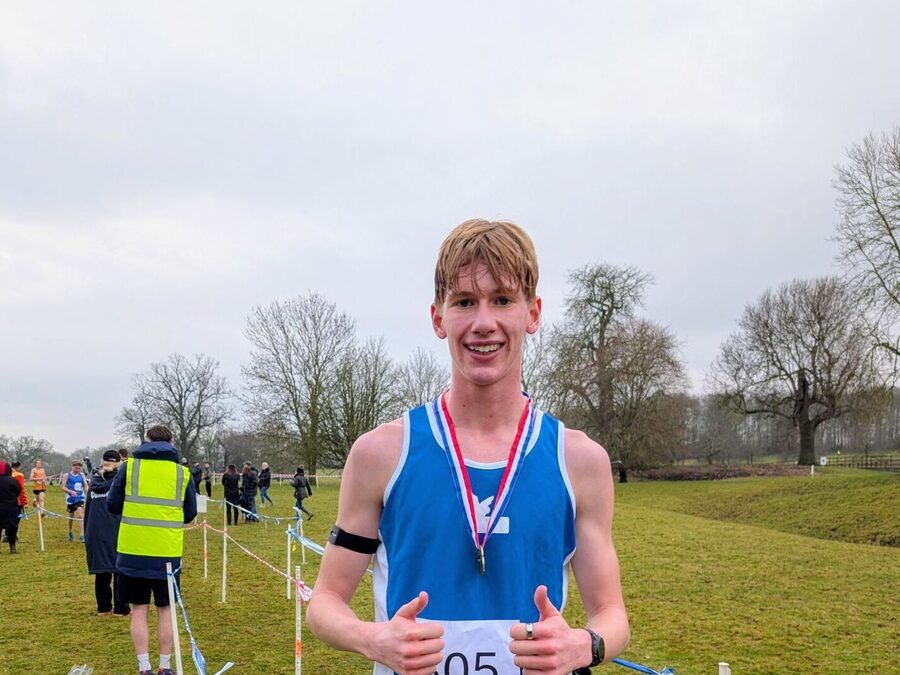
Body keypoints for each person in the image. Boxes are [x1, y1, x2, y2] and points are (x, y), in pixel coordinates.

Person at [306, 219, 630, 675]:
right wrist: (373, 638)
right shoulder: (381, 454)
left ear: (532, 313)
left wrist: (585, 645)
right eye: (464, 302)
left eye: (502, 299)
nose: (483, 323)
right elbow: (325, 602)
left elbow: (611, 613)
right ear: (438, 317)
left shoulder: (579, 461)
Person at [107, 424, 197, 675]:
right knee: (165, 610)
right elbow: (190, 513)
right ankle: (165, 666)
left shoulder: (129, 467)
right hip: (167, 552)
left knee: (139, 609)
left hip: (132, 550)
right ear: (171, 442)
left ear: (146, 441)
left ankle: (144, 665)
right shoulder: (182, 473)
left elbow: (112, 505)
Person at [85, 450, 130, 616]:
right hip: (116, 529)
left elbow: (89, 507)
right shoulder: (120, 482)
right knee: (120, 570)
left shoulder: (94, 480)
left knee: (102, 571)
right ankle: (121, 607)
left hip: (95, 530)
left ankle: (103, 607)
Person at [0, 461, 24, 553]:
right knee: (12, 528)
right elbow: (18, 491)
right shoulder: (13, 480)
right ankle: (12, 548)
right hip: (10, 507)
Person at [61, 460, 87, 542]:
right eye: (76, 468)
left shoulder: (82, 475)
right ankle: (70, 531)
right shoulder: (67, 475)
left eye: (79, 468)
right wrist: (70, 491)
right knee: (71, 517)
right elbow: (62, 487)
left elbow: (85, 486)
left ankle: (82, 535)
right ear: (72, 467)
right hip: (71, 499)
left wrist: (89, 494)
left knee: (80, 515)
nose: (78, 470)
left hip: (80, 497)